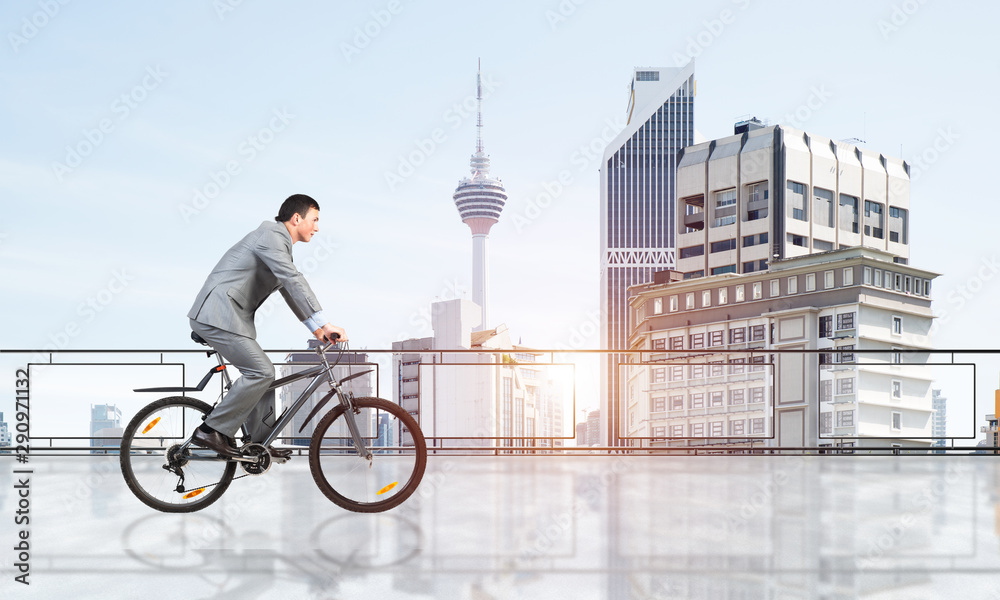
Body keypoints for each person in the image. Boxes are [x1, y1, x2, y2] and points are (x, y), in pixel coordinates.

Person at [186, 194, 347, 459]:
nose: (317, 227)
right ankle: (210, 430)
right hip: (216, 315)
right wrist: (325, 321)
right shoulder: (271, 236)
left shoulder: (279, 244)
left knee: (264, 377)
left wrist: (317, 330)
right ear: (297, 218)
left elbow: (287, 287)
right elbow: (293, 279)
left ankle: (259, 442)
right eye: (314, 220)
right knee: (261, 372)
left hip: (229, 317)